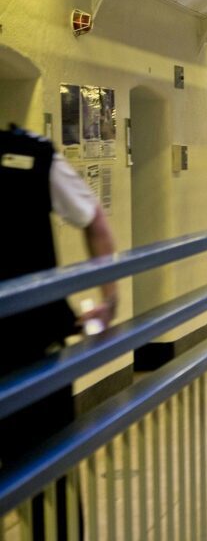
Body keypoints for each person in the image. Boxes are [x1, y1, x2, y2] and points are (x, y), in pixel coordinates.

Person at [0, 123, 117, 539]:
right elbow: (95, 221)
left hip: (33, 348)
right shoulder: (32, 154)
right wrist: (110, 296)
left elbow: (94, 220)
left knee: (41, 470)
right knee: (47, 472)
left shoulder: (32, 155)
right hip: (32, 344)